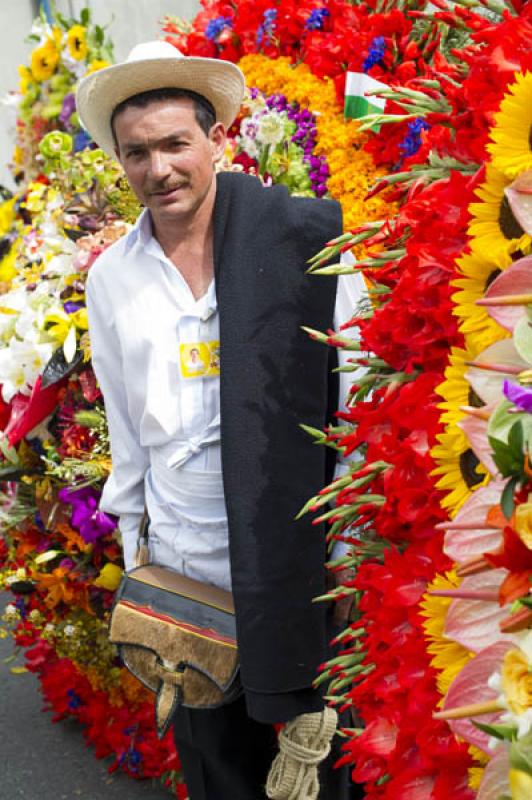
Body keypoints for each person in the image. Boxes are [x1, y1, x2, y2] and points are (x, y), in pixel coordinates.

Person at [77, 41, 366, 800]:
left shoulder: (304, 240)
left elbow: (358, 396)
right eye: (136, 153)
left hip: (299, 562)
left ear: (216, 140)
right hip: (185, 572)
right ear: (119, 160)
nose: (159, 169)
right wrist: (136, 552)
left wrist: (352, 548)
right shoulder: (111, 279)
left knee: (319, 769)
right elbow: (124, 424)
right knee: (217, 770)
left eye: (175, 144)